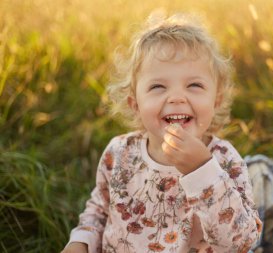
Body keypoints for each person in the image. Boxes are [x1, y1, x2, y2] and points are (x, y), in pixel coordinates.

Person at [61, 12, 262, 253]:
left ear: (216, 101)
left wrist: (203, 171)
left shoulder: (224, 160)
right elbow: (100, 211)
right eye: (158, 86)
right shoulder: (119, 153)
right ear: (135, 104)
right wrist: (80, 242)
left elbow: (240, 243)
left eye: (194, 85)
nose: (177, 97)